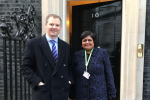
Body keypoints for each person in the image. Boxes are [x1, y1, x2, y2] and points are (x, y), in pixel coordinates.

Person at [20, 14, 74, 100]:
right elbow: (25, 67)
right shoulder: (33, 43)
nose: (54, 27)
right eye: (51, 24)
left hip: (61, 93)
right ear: (46, 25)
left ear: (60, 28)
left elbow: (69, 67)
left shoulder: (66, 46)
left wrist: (69, 81)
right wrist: (37, 82)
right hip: (43, 93)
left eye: (57, 25)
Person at [70, 31, 116, 100]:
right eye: (84, 40)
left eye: (89, 40)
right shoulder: (77, 55)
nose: (87, 42)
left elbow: (108, 73)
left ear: (94, 41)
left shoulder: (102, 53)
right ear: (81, 43)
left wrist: (111, 93)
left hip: (99, 94)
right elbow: (73, 74)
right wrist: (72, 93)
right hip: (81, 95)